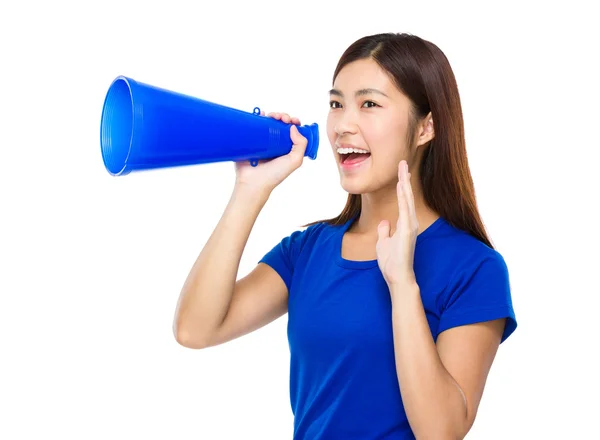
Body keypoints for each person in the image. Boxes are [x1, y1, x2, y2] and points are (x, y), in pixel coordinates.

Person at [173, 32, 517, 439]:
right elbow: (195, 329)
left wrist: (403, 284)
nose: (342, 126)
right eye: (337, 104)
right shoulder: (308, 250)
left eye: (369, 104)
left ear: (426, 127)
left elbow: (441, 432)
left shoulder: (474, 268)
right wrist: (250, 190)